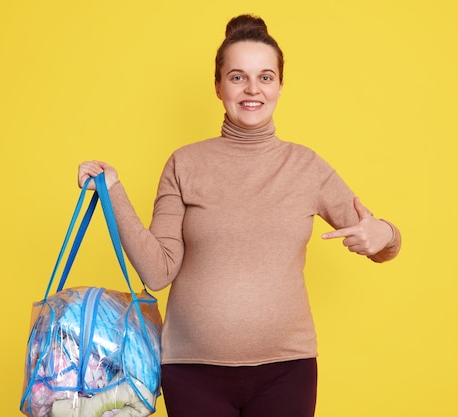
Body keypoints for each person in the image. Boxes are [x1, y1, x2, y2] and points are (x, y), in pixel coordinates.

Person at [78, 14, 401, 417]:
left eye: (265, 77)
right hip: (192, 372)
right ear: (218, 86)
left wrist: (384, 234)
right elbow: (158, 272)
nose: (252, 89)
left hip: (287, 370)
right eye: (237, 77)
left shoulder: (307, 167)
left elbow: (380, 243)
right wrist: (113, 192)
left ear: (281, 86)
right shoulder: (184, 163)